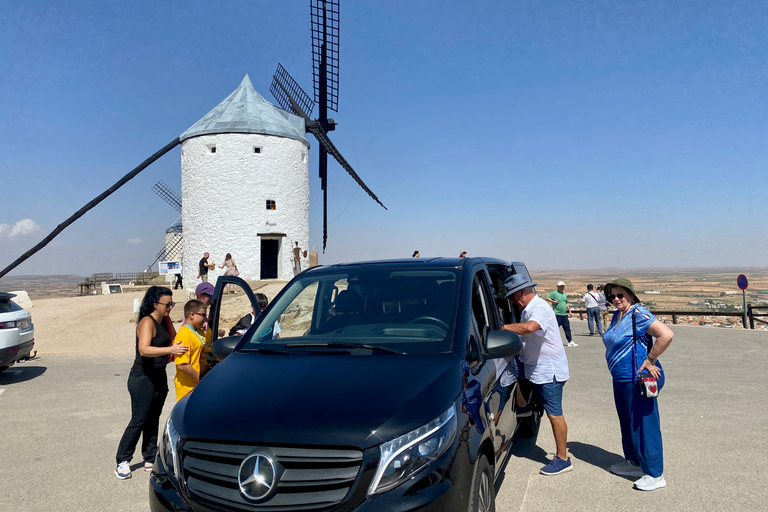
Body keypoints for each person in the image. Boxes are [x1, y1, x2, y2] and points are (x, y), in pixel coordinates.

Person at [603, 278, 674, 491]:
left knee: (645, 425)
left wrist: (650, 359)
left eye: (620, 295)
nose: (616, 299)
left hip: (637, 379)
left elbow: (666, 335)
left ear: (631, 295)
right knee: (628, 423)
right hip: (621, 379)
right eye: (612, 296)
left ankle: (655, 473)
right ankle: (634, 463)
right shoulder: (617, 315)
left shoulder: (638, 314)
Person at [502, 274, 573, 476]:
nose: (512, 302)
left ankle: (562, 458)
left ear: (522, 292)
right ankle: (523, 409)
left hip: (548, 371)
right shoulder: (529, 309)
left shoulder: (539, 308)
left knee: (554, 414)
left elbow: (530, 328)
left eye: (513, 297)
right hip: (535, 368)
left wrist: (502, 329)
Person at [115, 286, 189, 480]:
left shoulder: (164, 319)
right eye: (167, 304)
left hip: (159, 375)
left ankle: (150, 456)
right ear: (155, 304)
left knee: (154, 416)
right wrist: (170, 350)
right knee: (139, 419)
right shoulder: (147, 322)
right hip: (142, 377)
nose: (170, 308)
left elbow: (175, 338)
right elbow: (144, 350)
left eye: (172, 304)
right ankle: (122, 460)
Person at [174, 299, 208, 401]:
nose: (205, 319)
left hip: (198, 387)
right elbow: (182, 365)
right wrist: (200, 379)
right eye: (203, 315)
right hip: (188, 390)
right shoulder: (184, 335)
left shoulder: (198, 331)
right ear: (192, 315)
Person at [545, 281, 576, 347]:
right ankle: (551, 341)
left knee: (567, 328)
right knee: (555, 329)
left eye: (563, 286)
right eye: (560, 286)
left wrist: (569, 311)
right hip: (557, 314)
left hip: (564, 314)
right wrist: (553, 301)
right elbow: (547, 298)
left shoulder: (564, 294)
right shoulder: (554, 293)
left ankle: (570, 341)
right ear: (558, 287)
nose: (562, 287)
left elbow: (566, 303)